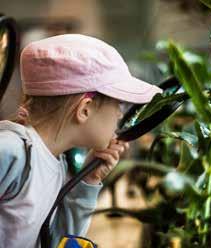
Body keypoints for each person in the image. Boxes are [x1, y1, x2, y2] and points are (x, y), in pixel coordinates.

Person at [0, 34, 163, 248]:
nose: (119, 115)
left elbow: (60, 241)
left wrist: (88, 179)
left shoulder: (56, 163)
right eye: (117, 105)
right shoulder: (12, 150)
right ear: (85, 109)